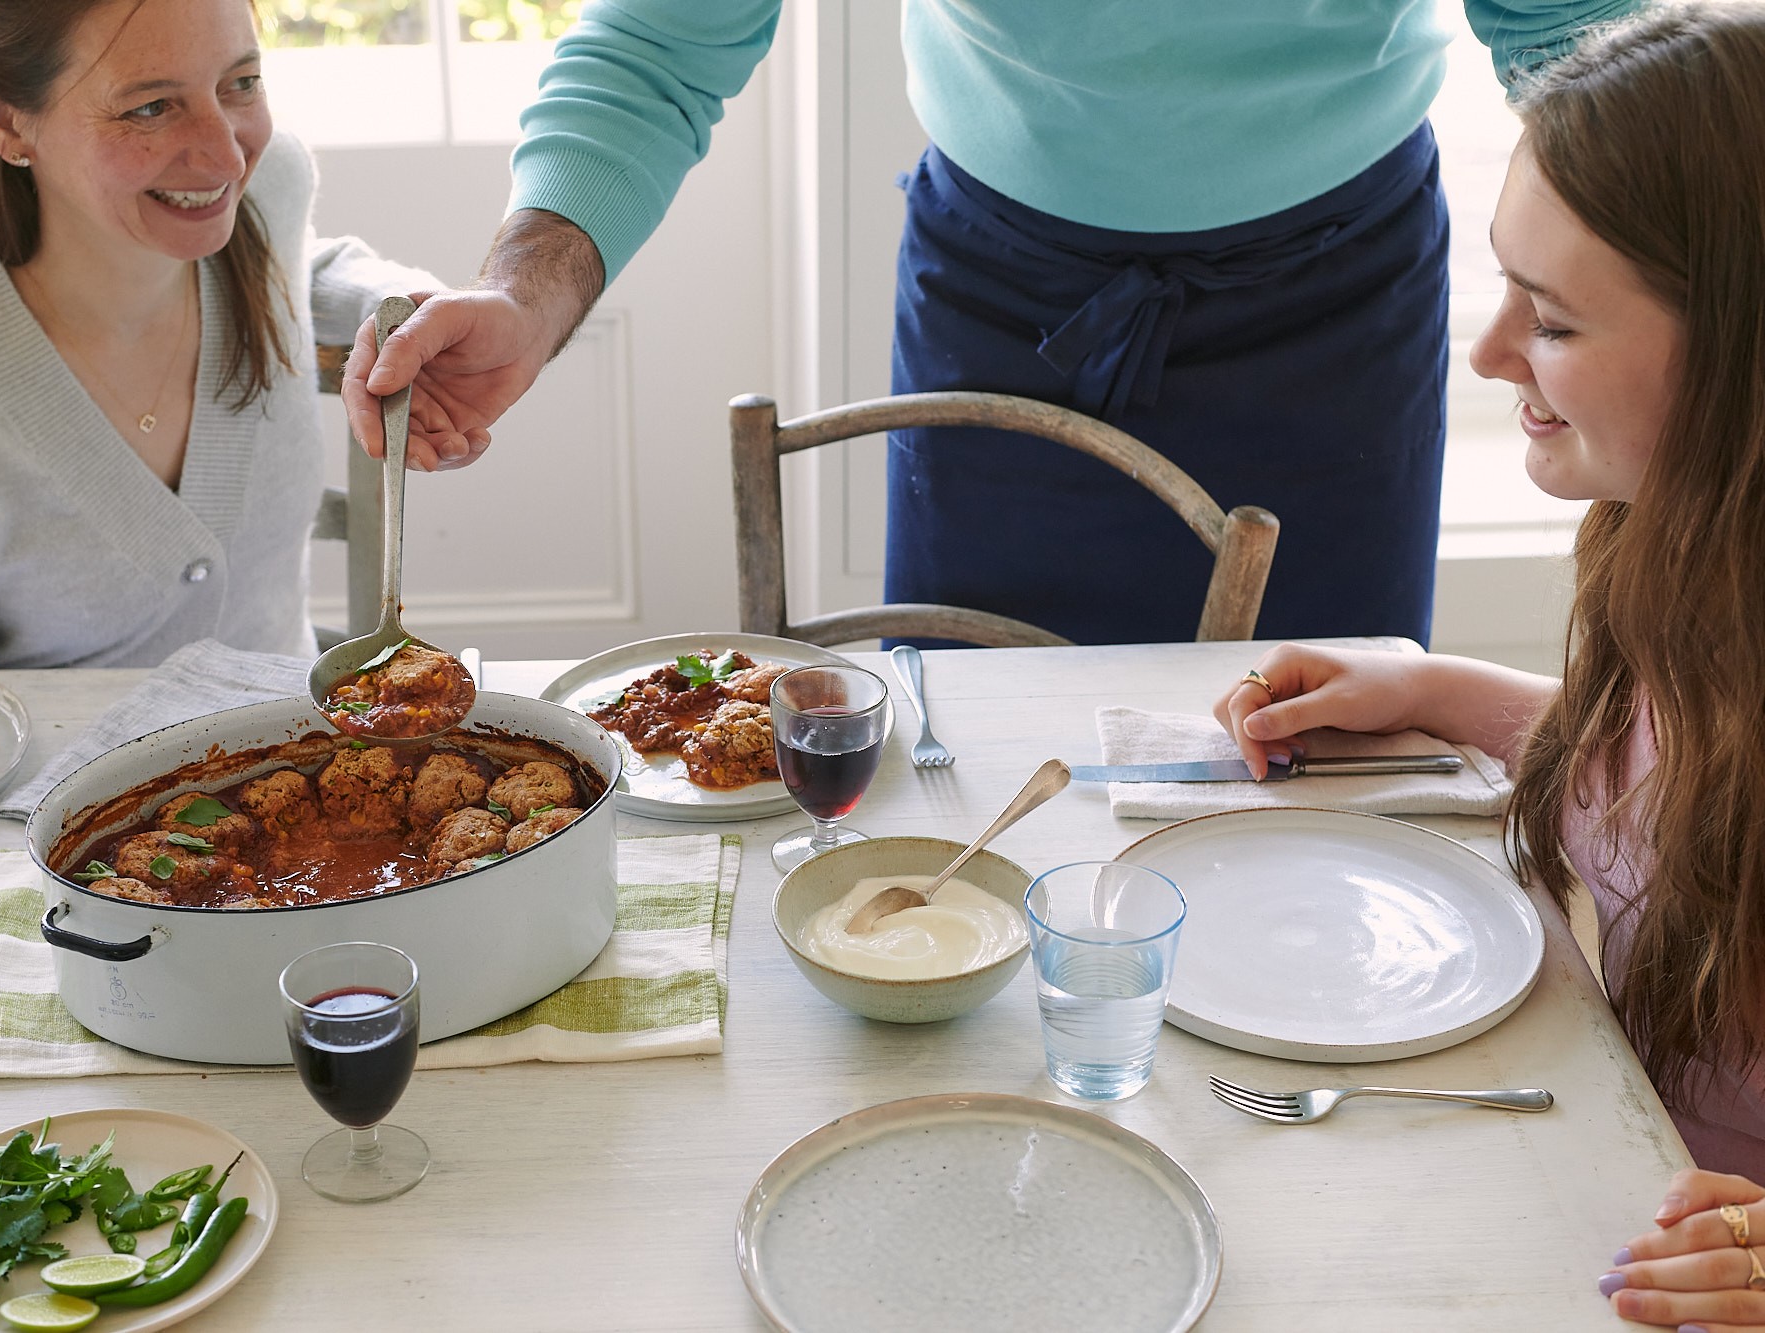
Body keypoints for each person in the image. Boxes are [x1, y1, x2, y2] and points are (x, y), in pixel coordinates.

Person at [343, 0, 1634, 647]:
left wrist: (1679, 274)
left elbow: (1578, 35)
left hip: (1335, 300)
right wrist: (526, 289)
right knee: (977, 779)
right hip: (1008, 299)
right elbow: (662, 45)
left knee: (1325, 767)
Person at [1207, 7, 1765, 1323]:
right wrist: (1438, 692)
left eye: (1558, 322)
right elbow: (1668, 778)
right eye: (1509, 280)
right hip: (1593, 1177)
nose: (1490, 348)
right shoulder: (1680, 566)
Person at [0, 0, 438, 668]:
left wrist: (405, 307)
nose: (227, 157)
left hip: (306, 757)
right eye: (150, 107)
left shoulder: (263, 191)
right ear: (5, 118)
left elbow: (288, 261)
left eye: (241, 83)